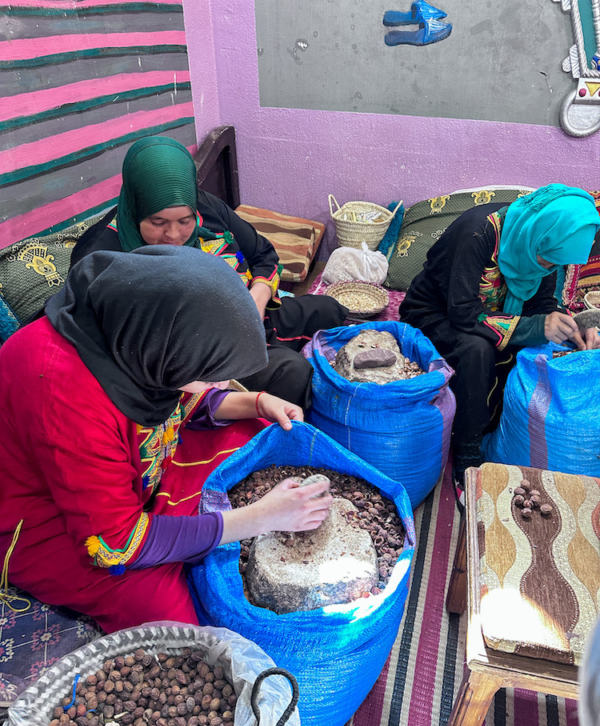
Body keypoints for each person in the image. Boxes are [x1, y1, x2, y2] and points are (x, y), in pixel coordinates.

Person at [0, 246, 333, 633]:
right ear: (163, 352)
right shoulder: (62, 392)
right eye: (211, 374)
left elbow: (179, 399)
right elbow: (115, 543)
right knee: (170, 619)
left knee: (254, 433)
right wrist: (261, 517)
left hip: (113, 466)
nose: (220, 385)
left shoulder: (131, 332)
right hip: (43, 517)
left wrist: (256, 401)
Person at [71, 136, 347, 410]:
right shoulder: (101, 257)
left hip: (252, 314)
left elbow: (263, 255)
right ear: (135, 206)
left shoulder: (205, 207)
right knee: (292, 372)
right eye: (157, 222)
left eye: (185, 220)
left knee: (331, 310)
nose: (174, 235)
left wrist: (256, 299)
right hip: (201, 358)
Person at [400, 184, 600, 486]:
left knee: (539, 344)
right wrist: (533, 326)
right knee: (477, 350)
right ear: (535, 234)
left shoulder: (541, 246)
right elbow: (464, 311)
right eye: (546, 259)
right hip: (435, 312)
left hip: (493, 312)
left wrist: (571, 329)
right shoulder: (477, 233)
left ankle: (499, 424)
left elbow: (541, 306)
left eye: (555, 264)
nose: (546, 268)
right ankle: (467, 448)